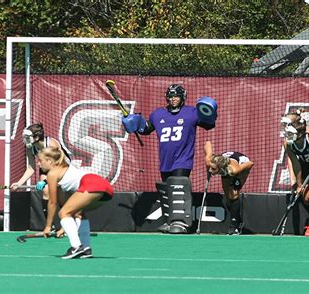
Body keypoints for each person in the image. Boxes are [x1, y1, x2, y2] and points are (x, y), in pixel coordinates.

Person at [122, 84, 217, 233]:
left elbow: (209, 125)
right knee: (167, 189)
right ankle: (169, 220)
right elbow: (146, 129)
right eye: (171, 96)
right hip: (165, 160)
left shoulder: (192, 112)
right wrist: (134, 122)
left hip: (183, 159)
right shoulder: (157, 114)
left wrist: (210, 113)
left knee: (177, 184)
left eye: (176, 96)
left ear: (183, 97)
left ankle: (180, 222)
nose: (173, 99)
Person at [38, 147, 113, 259]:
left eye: (40, 160)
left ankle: (76, 247)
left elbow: (52, 202)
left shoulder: (52, 174)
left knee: (63, 213)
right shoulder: (65, 169)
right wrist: (65, 227)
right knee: (79, 212)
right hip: (104, 186)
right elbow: (67, 205)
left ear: (49, 161)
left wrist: (48, 227)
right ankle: (86, 249)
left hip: (92, 184)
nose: (39, 164)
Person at [10, 123, 71, 222]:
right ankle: (50, 226)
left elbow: (59, 166)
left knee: (60, 195)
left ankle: (67, 221)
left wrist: (45, 181)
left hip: (62, 167)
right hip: (47, 168)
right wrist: (19, 183)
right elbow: (31, 168)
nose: (25, 140)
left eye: (28, 137)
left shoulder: (51, 145)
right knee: (45, 191)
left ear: (37, 137)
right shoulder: (30, 147)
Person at [281, 108, 309, 236]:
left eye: (290, 134)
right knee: (306, 197)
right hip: (307, 166)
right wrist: (299, 184)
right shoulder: (288, 143)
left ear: (299, 134)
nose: (286, 136)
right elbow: (295, 163)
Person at [203, 141, 254, 235]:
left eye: (213, 169)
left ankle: (234, 226)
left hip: (242, 166)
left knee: (233, 194)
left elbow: (250, 163)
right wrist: (208, 163)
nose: (210, 170)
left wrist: (238, 178)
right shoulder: (210, 161)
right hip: (226, 166)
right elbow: (207, 143)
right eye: (210, 167)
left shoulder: (234, 170)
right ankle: (238, 220)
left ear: (220, 168)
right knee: (228, 199)